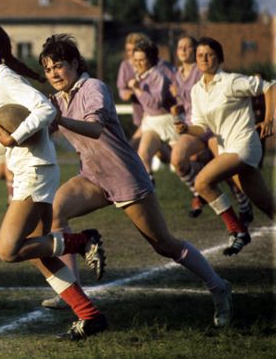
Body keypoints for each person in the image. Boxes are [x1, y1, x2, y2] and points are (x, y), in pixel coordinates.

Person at [37, 34, 233, 328]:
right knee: (54, 212)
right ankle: (73, 289)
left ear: (76, 63)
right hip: (92, 177)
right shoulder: (57, 99)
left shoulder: (93, 88)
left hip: (125, 177)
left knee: (165, 245)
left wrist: (59, 120)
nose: (53, 74)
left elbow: (94, 128)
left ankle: (220, 288)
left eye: (59, 66)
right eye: (48, 69)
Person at [0, 20, 107, 340]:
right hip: (32, 169)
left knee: (8, 250)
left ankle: (82, 241)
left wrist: (16, 135)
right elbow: (1, 141)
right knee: (39, 254)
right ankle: (90, 316)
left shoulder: (5, 79)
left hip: (33, 172)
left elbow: (45, 110)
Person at [176, 37, 274, 255]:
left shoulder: (230, 81)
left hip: (245, 145)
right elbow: (201, 127)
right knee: (268, 206)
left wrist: (268, 120)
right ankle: (239, 229)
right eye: (200, 55)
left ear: (219, 58)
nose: (204, 58)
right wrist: (186, 129)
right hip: (227, 148)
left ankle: (237, 230)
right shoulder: (197, 90)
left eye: (209, 54)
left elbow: (270, 87)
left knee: (202, 182)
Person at [169, 36, 253, 221]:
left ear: (195, 50)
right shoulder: (176, 75)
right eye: (180, 47)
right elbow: (183, 102)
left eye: (188, 47)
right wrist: (176, 110)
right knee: (177, 160)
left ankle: (244, 204)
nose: (183, 50)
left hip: (213, 128)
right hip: (194, 127)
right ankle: (198, 193)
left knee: (227, 171)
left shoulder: (203, 71)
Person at [127, 38, 178, 183]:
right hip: (150, 121)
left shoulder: (158, 76)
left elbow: (155, 104)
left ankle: (198, 193)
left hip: (166, 121)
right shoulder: (140, 75)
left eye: (141, 60)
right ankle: (151, 191)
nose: (137, 63)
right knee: (143, 155)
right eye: (135, 60)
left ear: (150, 59)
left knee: (179, 162)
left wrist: (137, 89)